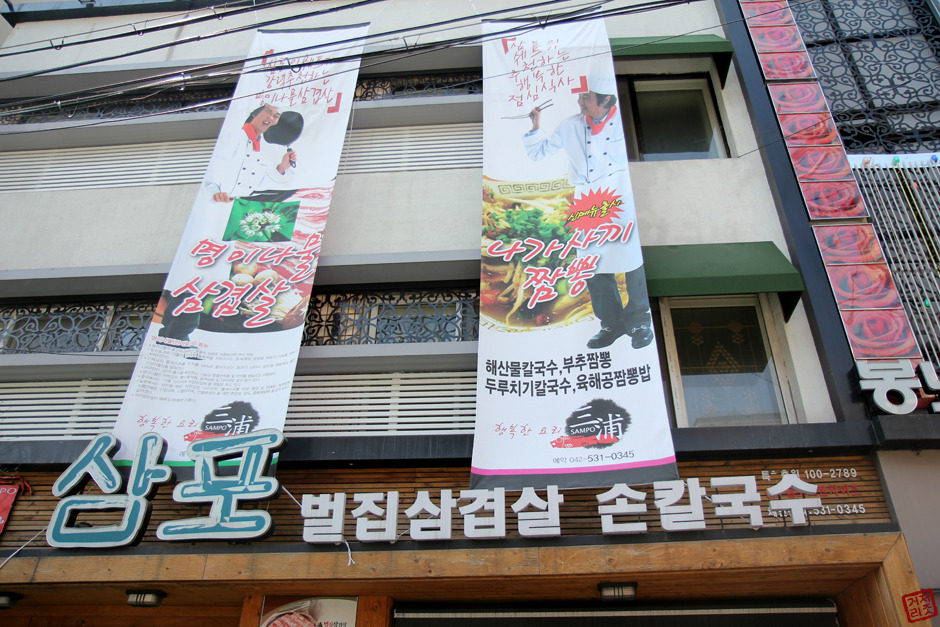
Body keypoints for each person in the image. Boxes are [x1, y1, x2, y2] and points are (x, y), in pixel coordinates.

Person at [522, 73, 653, 350]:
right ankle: (611, 324)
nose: (580, 102)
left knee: (630, 258)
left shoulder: (621, 124)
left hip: (618, 194)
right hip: (586, 199)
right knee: (593, 263)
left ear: (606, 99)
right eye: (580, 97)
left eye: (586, 97)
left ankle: (639, 321)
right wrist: (535, 126)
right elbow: (538, 154)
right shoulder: (570, 125)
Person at [204, 103, 297, 203]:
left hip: (244, 204)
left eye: (276, 116)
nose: (270, 117)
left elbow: (259, 184)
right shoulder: (234, 136)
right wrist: (215, 193)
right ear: (254, 114)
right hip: (219, 205)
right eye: (267, 111)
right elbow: (214, 168)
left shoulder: (262, 146)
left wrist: (282, 167)